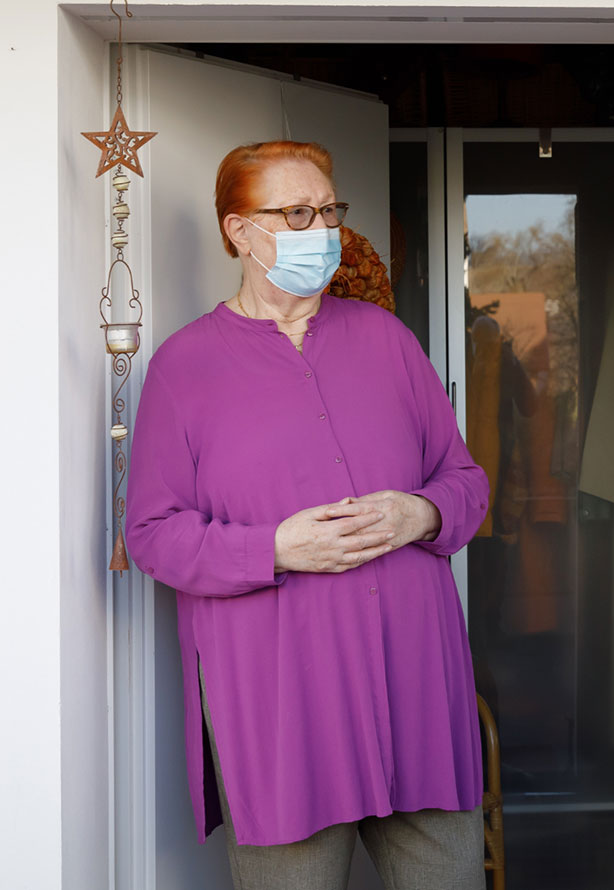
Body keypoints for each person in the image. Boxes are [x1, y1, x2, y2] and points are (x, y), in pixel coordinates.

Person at [126, 141, 490, 890]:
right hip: (283, 707)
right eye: (298, 213)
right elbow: (153, 534)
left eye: (329, 210)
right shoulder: (183, 366)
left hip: (418, 687)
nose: (322, 228)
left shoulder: (386, 340)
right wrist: (274, 549)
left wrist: (419, 513)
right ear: (239, 231)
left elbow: (465, 481)